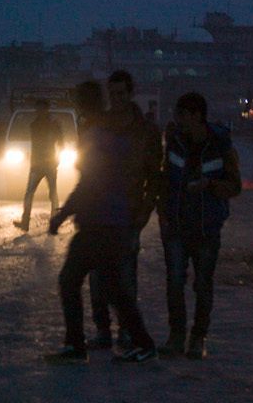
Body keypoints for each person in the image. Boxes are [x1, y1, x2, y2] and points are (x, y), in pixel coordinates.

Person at [47, 79, 158, 363]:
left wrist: (62, 214)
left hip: (100, 221)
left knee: (72, 280)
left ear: (81, 105)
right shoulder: (110, 134)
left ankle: (78, 345)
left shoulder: (96, 135)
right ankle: (139, 342)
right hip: (112, 219)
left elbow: (88, 182)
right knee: (112, 288)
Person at [158, 92, 241, 359]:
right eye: (177, 115)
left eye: (182, 115)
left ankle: (198, 337)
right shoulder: (174, 142)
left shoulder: (220, 145)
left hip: (206, 228)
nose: (178, 120)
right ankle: (176, 336)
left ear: (197, 116)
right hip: (176, 227)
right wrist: (163, 214)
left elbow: (235, 186)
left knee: (203, 284)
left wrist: (210, 185)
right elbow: (165, 181)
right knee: (174, 283)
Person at [86, 70, 163, 348]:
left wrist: (145, 209)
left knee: (125, 275)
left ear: (130, 94)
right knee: (97, 275)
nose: (116, 99)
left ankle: (126, 331)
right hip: (99, 211)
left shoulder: (146, 131)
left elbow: (155, 175)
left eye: (120, 94)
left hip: (129, 212)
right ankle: (103, 330)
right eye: (112, 94)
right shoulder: (99, 125)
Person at [14, 98, 65, 230]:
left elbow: (61, 143)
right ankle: (27, 222)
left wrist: (57, 158)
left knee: (50, 194)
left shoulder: (48, 124)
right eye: (38, 109)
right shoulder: (37, 124)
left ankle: (52, 222)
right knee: (36, 193)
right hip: (39, 164)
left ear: (46, 109)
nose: (39, 111)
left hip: (46, 164)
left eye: (41, 108)